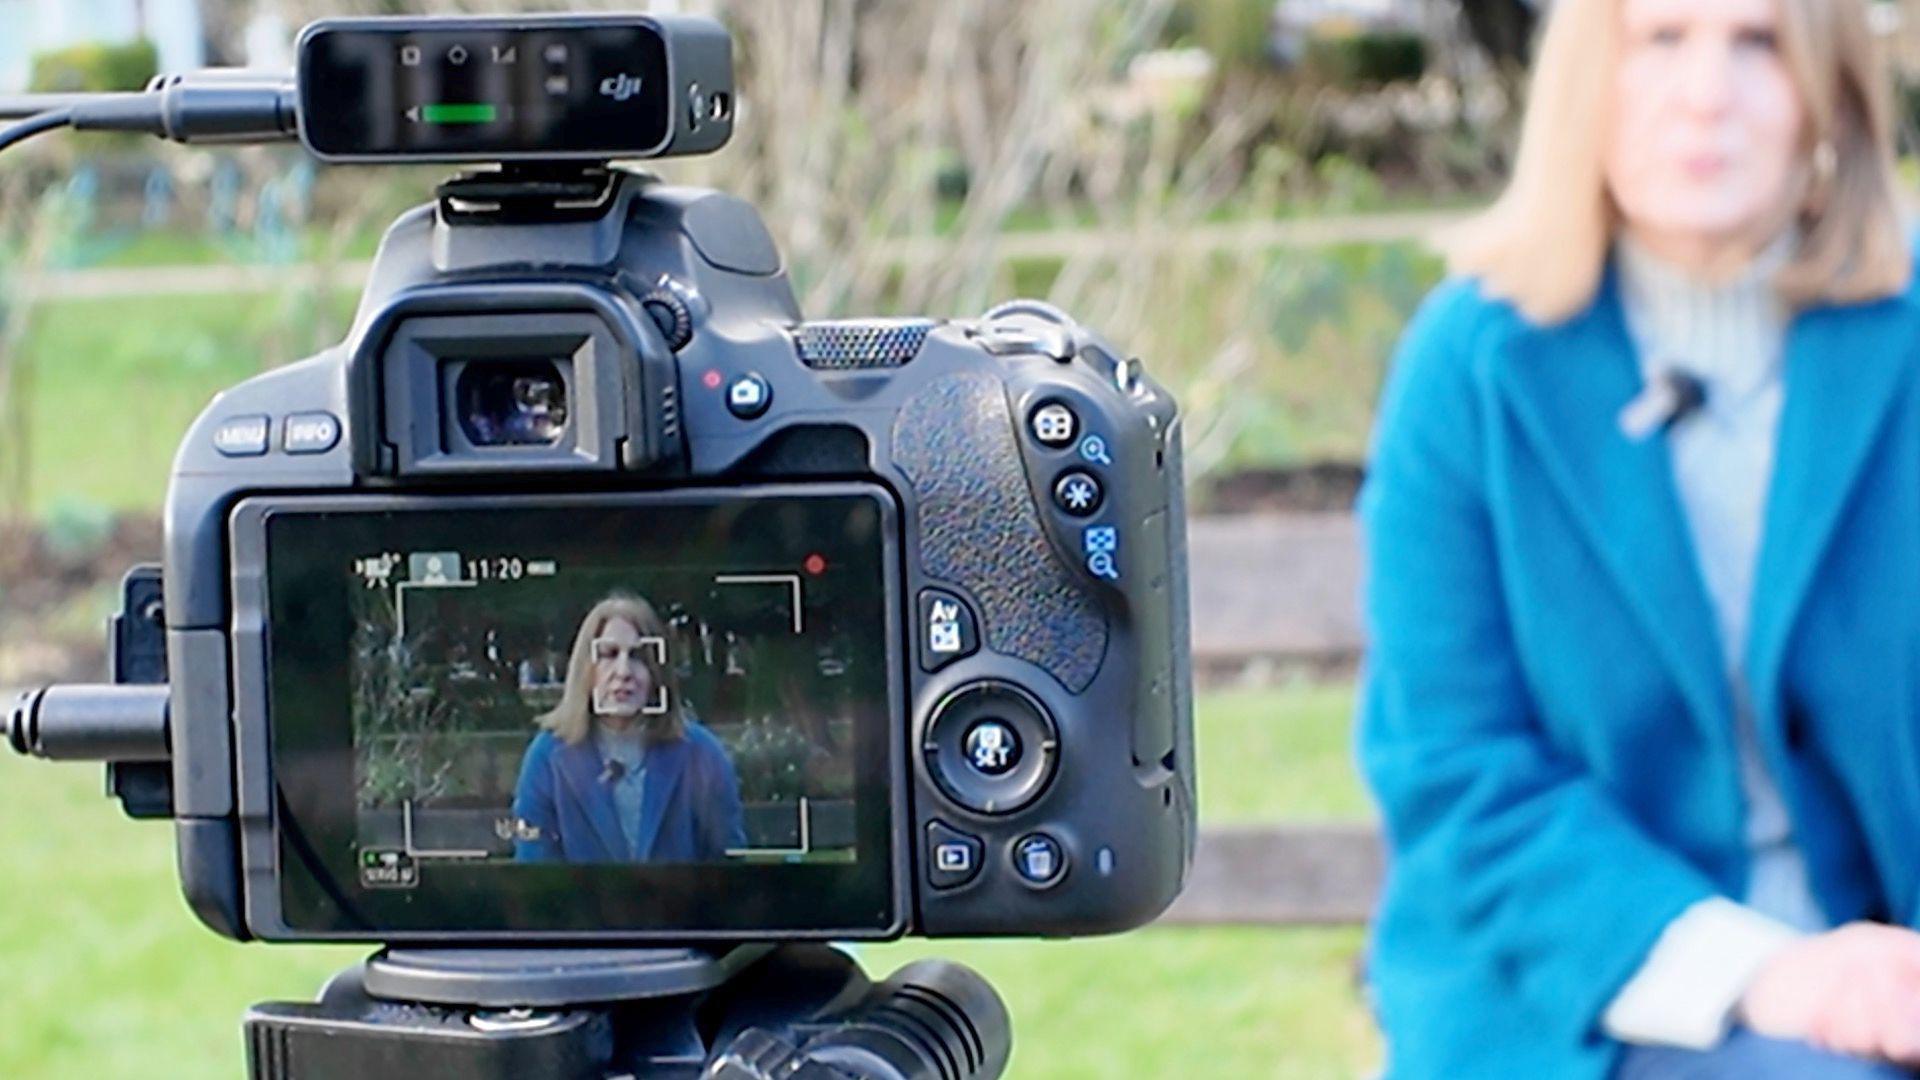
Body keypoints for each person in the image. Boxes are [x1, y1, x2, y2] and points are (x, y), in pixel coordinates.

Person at [1355, 0, 1920, 1076]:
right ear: (1586, 78)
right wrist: (1772, 974)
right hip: (1591, 990)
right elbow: (1451, 766)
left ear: (1827, 85)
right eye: (1661, 37)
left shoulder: (1906, 333)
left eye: (1757, 42)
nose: (1705, 90)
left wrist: (1889, 983)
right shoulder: (1469, 366)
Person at [512, 593, 747, 863]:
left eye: (637, 656)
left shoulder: (704, 754)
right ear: (586, 668)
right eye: (609, 655)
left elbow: (728, 865)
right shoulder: (546, 757)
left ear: (657, 670)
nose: (623, 671)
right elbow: (534, 872)